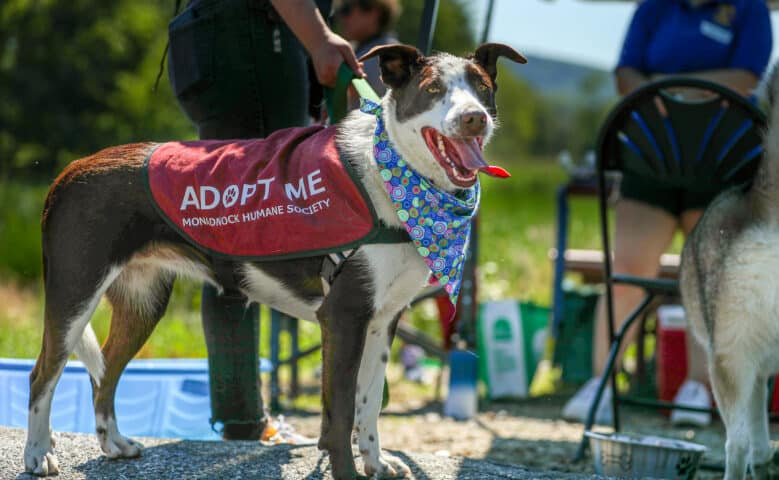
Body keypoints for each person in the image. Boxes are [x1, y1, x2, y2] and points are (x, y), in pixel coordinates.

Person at [561, 0, 772, 427]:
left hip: (721, 162)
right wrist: (682, 88)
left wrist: (664, 85)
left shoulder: (749, 9)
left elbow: (746, 77)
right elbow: (625, 75)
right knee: (625, 272)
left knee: (709, 281)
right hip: (650, 158)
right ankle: (602, 382)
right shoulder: (654, 8)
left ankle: (697, 389)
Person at [167, 0, 363, 440]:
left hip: (226, 40)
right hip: (253, 40)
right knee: (243, 239)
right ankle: (244, 419)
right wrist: (318, 38)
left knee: (234, 234)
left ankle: (243, 415)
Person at [334, 0, 400, 105]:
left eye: (346, 9)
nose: (341, 17)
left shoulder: (387, 57)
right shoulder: (358, 49)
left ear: (373, 12)